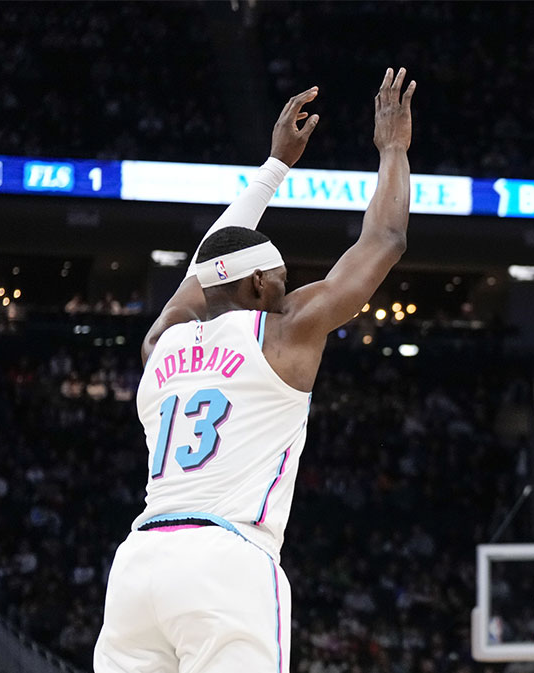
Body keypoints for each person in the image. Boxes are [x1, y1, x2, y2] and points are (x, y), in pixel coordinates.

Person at [94, 68, 416, 672]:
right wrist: (393, 149)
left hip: (139, 564)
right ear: (259, 282)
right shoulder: (283, 329)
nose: (286, 283)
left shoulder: (160, 343)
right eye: (280, 275)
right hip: (225, 559)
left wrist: (274, 169)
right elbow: (386, 239)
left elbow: (203, 267)